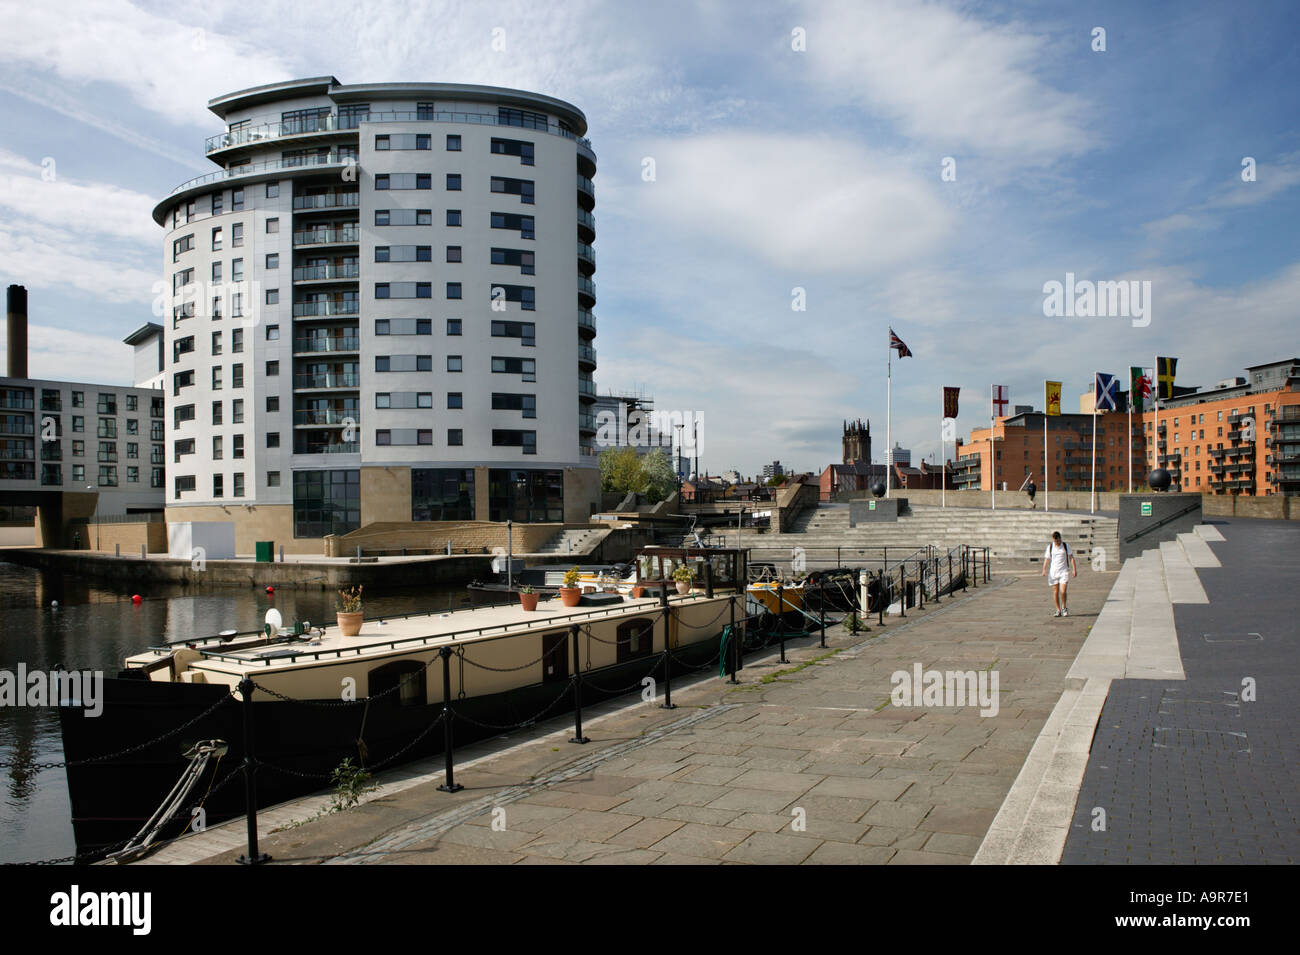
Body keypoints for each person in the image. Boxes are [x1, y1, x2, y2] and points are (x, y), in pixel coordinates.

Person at [1040, 530, 1077, 616]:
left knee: (1063, 591)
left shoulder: (1065, 546)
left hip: (1063, 571)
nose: (1057, 542)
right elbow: (1047, 559)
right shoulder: (1050, 547)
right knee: (1055, 591)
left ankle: (1064, 607)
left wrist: (1074, 569)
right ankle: (1058, 609)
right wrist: (1044, 569)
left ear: (1060, 538)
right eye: (1055, 541)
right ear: (1053, 540)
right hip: (1053, 572)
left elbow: (1071, 557)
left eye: (1058, 540)